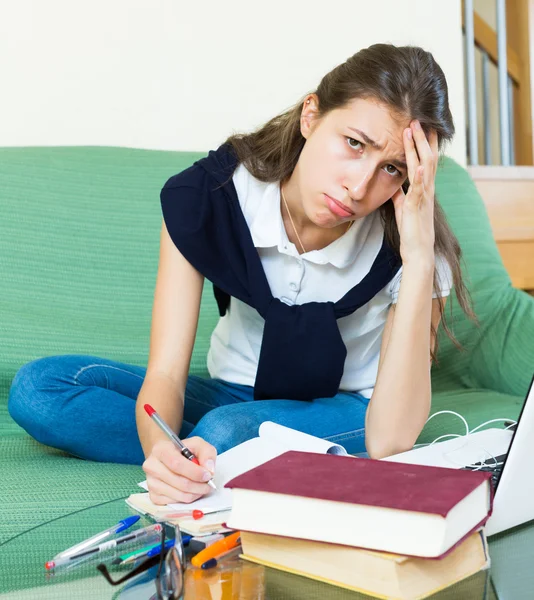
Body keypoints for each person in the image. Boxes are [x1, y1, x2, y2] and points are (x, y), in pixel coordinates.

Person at [8, 43, 475, 506]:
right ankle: (230, 458)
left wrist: (417, 259)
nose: (358, 187)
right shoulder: (212, 196)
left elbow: (389, 442)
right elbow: (167, 375)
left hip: (352, 407)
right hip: (233, 391)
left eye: (391, 168)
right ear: (311, 116)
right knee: (39, 389)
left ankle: (233, 450)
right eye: (354, 143)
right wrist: (162, 453)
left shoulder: (413, 245)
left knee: (225, 432)